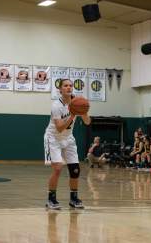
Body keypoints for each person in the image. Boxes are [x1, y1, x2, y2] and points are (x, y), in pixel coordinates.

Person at [44, 79, 91, 210]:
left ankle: (74, 199)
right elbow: (59, 128)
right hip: (53, 138)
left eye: (70, 85)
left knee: (75, 169)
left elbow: (87, 122)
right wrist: (72, 115)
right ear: (60, 89)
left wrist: (84, 111)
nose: (69, 87)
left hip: (69, 138)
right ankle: (51, 199)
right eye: (65, 86)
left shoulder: (77, 102)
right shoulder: (56, 106)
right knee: (58, 168)